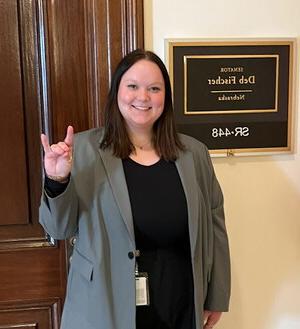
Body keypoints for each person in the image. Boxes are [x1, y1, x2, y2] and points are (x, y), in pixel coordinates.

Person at [39, 49, 230, 329]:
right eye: (132, 86)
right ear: (117, 91)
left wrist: (217, 295)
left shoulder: (194, 153)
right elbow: (58, 229)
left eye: (154, 88)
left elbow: (215, 227)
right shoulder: (82, 151)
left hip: (179, 301)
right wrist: (58, 180)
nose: (143, 97)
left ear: (166, 96)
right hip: (104, 304)